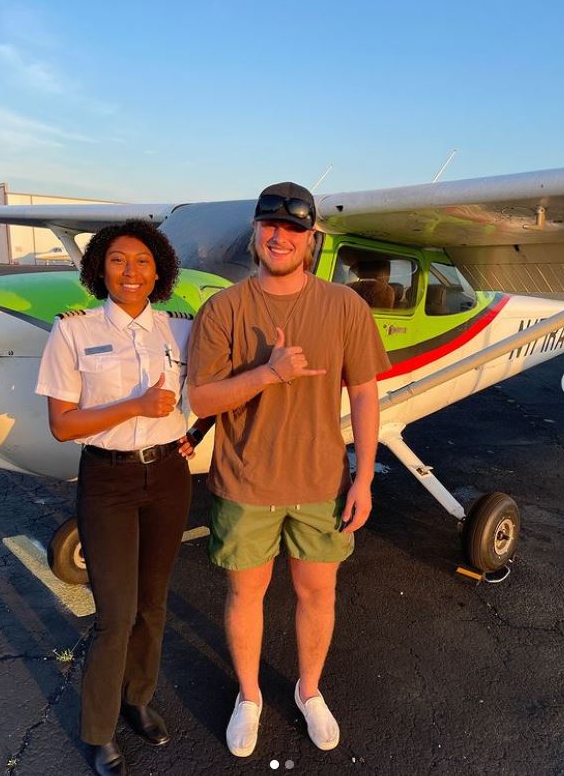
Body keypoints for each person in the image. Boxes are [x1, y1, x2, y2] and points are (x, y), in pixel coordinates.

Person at [187, 182, 389, 757]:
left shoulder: (345, 306)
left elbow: (367, 394)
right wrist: (268, 375)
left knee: (317, 593)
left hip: (323, 482)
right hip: (245, 482)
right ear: (255, 231)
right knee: (245, 595)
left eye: (294, 228)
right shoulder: (223, 309)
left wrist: (366, 478)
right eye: (270, 224)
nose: (281, 236)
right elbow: (201, 401)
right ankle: (249, 697)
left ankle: (309, 691)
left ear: (312, 238)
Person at [36, 220, 212, 776]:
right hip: (107, 481)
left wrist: (196, 432)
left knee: (153, 603)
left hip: (167, 476)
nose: (130, 270)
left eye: (141, 260)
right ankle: (98, 730)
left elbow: (207, 389)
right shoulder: (73, 331)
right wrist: (133, 407)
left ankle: (138, 699)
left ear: (158, 270)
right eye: (117, 260)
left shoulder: (181, 331)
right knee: (115, 614)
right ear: (99, 270)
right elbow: (63, 425)